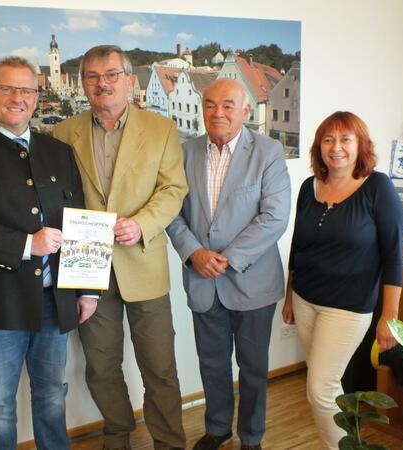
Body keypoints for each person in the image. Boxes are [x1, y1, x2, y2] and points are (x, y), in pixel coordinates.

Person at [0, 56, 95, 450]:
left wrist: (88, 288)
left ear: (36, 96)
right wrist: (28, 245)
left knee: (52, 395)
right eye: (6, 88)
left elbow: (80, 219)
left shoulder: (58, 151)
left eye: (25, 90)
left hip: (52, 300)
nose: (16, 97)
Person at [53, 45, 188, 450]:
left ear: (130, 80)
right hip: (87, 269)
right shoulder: (63, 133)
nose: (102, 83)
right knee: (101, 366)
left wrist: (142, 224)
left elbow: (173, 189)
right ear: (83, 85)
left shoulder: (160, 129)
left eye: (111, 74)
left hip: (144, 264)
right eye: (92, 77)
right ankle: (117, 437)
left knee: (160, 368)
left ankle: (168, 442)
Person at [166, 78, 291, 450]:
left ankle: (251, 437)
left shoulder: (268, 152)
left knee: (252, 370)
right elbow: (172, 213)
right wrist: (193, 252)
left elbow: (275, 217)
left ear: (246, 111)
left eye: (227, 105)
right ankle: (218, 428)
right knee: (213, 364)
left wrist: (227, 259)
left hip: (252, 282)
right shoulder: (185, 152)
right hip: (202, 282)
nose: (217, 112)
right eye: (209, 104)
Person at [282, 111, 403, 450]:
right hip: (306, 300)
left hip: (348, 307)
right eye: (328, 139)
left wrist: (389, 317)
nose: (336, 147)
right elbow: (298, 245)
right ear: (319, 147)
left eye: (345, 139)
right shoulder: (310, 187)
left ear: (360, 145)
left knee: (320, 389)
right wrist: (289, 296)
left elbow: (394, 255)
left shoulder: (377, 187)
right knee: (328, 387)